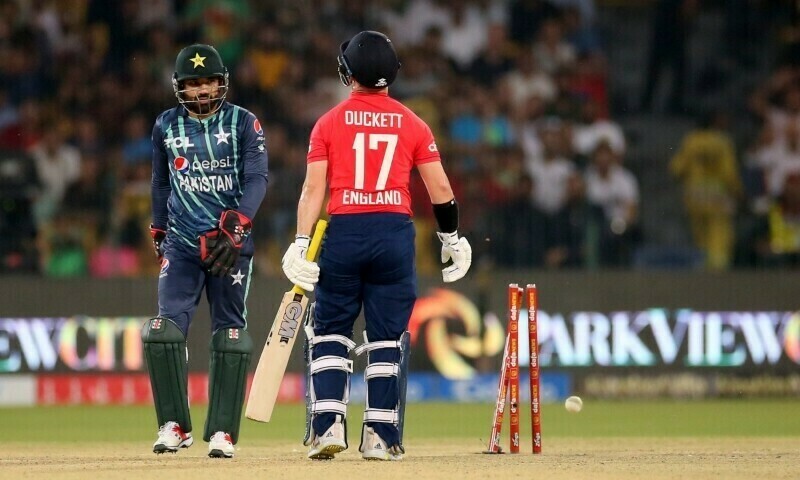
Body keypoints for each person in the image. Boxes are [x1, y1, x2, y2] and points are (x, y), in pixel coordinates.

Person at [281, 30, 472, 461]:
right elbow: (440, 188)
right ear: (393, 75)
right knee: (386, 337)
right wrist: (451, 237)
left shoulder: (328, 123)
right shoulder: (414, 122)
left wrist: (299, 242)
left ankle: (328, 425)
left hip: (344, 231)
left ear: (347, 75)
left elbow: (313, 191)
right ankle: (380, 437)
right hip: (393, 233)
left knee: (330, 329)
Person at [143, 43, 268, 458]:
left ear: (222, 82)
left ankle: (223, 433)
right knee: (162, 332)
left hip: (228, 245)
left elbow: (257, 179)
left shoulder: (244, 123)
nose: (202, 91)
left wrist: (239, 225)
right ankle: (174, 425)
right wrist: (158, 225)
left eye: (209, 82)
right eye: (193, 83)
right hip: (181, 242)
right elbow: (161, 182)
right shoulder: (165, 125)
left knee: (230, 335)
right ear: (180, 86)